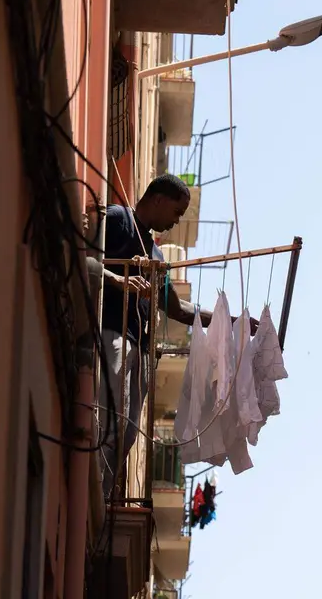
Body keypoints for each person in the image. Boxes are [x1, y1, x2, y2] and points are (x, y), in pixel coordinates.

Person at [90, 174, 252, 494]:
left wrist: (230, 322)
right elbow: (90, 259)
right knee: (110, 415)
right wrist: (118, 279)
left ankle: (101, 494)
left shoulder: (156, 255)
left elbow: (176, 309)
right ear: (159, 199)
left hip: (140, 346)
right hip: (113, 332)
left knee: (127, 431)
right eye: (177, 212)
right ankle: (91, 484)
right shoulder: (119, 219)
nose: (177, 221)